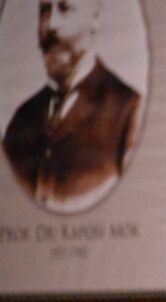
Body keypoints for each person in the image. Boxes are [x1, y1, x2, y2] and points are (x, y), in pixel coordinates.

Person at [2, 0, 140, 213]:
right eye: (44, 11)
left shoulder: (129, 111)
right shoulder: (21, 119)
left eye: (65, 8)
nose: (50, 25)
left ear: (94, 19)